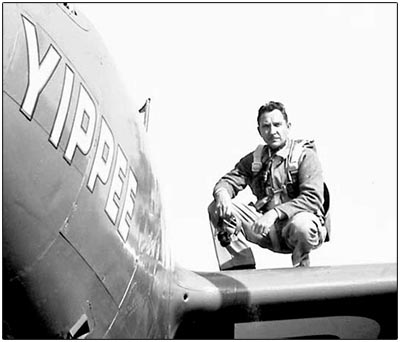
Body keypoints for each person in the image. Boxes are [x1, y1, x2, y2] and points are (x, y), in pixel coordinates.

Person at [208, 101, 330, 268]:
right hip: (266, 230)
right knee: (217, 207)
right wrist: (223, 194)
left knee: (303, 226)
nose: (272, 131)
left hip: (296, 229)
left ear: (288, 126)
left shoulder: (305, 156)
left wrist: (274, 213)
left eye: (277, 125)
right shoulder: (255, 160)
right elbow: (228, 181)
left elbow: (313, 199)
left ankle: (302, 267)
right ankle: (239, 267)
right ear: (259, 131)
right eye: (266, 126)